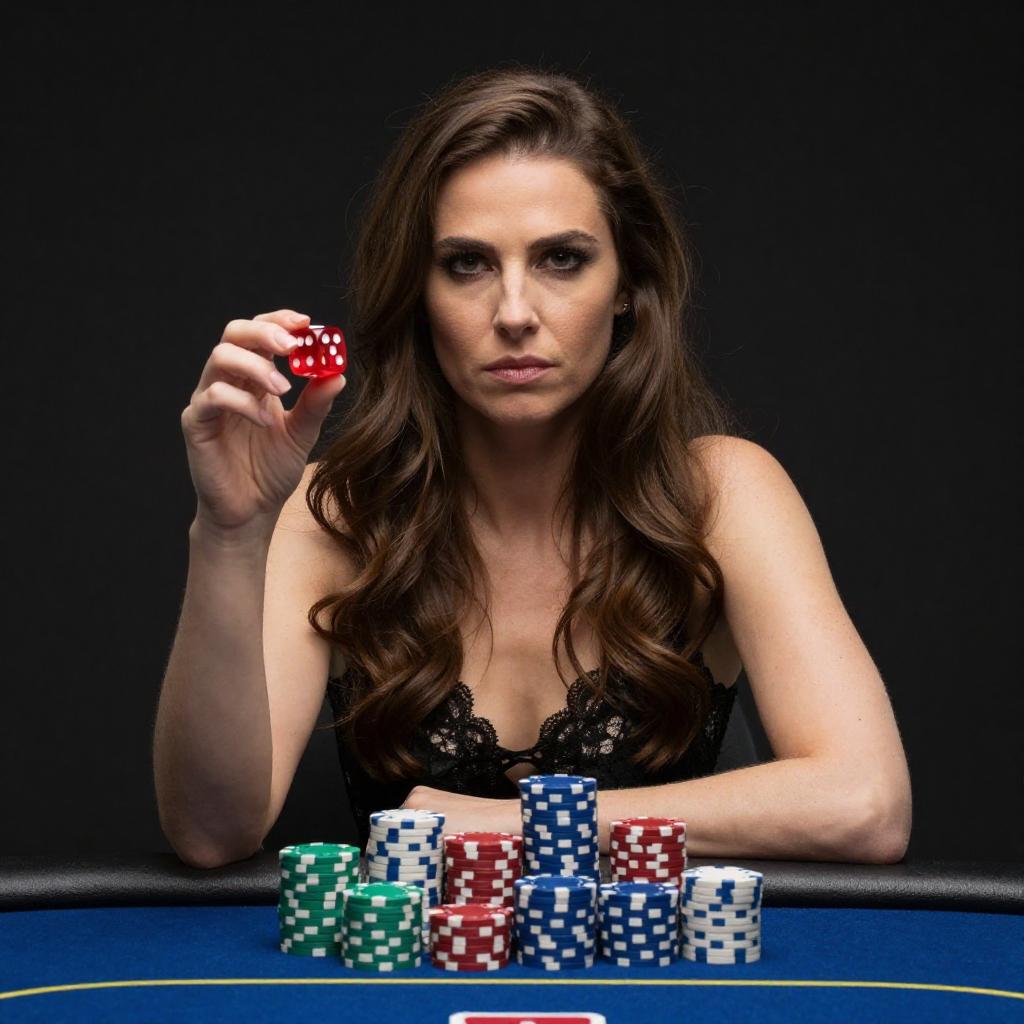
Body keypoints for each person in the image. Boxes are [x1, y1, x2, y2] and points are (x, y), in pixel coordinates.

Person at [153, 65, 912, 870]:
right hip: (408, 993)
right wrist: (231, 534)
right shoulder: (334, 513)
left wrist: (515, 824)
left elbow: (867, 805)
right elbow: (210, 833)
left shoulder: (723, 494)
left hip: (667, 992)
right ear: (419, 292)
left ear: (628, 284)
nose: (514, 313)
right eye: (467, 264)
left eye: (561, 258)